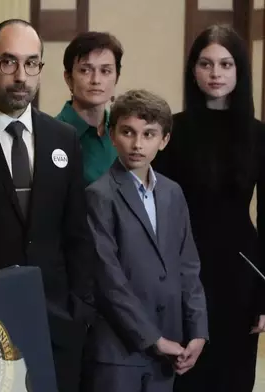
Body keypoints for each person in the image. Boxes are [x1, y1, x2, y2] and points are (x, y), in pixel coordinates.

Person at [0, 19, 96, 392]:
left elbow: (77, 233)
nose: (21, 75)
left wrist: (80, 308)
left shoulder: (64, 138)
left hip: (57, 322)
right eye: (8, 62)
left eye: (31, 63)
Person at [152, 24, 265, 392]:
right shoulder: (173, 131)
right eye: (206, 64)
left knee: (233, 378)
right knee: (186, 378)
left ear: (239, 71)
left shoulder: (258, 135)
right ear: (193, 70)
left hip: (240, 276)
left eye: (226, 64)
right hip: (185, 273)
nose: (216, 74)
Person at [82, 89, 208, 392]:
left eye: (149, 134)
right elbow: (108, 279)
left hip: (169, 350)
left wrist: (198, 332)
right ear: (113, 135)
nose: (138, 144)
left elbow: (188, 266)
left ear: (163, 140)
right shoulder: (99, 195)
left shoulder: (172, 193)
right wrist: (153, 338)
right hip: (119, 351)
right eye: (128, 132)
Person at [56, 32, 123, 185]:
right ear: (68, 78)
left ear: (117, 78)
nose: (96, 80)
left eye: (105, 71)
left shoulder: (122, 134)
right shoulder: (51, 134)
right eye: (85, 70)